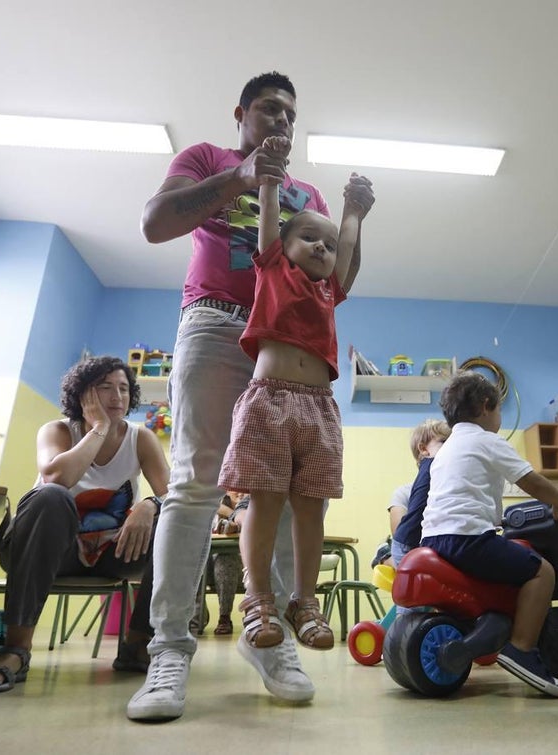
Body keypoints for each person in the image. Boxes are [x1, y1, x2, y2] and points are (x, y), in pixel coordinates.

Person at [128, 72, 374, 720]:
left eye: (292, 115)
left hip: (281, 343)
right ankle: (169, 650)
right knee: (194, 484)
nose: (282, 122)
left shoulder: (308, 193)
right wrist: (241, 178)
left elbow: (334, 271)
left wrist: (351, 215)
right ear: (242, 113)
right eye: (270, 109)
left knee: (289, 492)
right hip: (213, 321)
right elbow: (155, 223)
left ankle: (272, 635)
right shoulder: (206, 158)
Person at [218, 132, 366, 657]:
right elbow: (270, 220)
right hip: (271, 400)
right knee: (267, 502)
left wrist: (353, 211)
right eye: (309, 239)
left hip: (320, 410)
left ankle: (305, 601)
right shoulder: (274, 267)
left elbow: (345, 253)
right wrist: (271, 178)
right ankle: (258, 598)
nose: (322, 248)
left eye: (326, 245)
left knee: (311, 509)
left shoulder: (330, 290)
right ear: (285, 244)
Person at [0, 356, 170, 692]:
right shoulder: (58, 430)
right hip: (45, 548)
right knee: (51, 497)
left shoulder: (140, 438)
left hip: (109, 554)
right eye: (105, 388)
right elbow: (57, 476)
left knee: (173, 519)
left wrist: (150, 504)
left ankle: (137, 644)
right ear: (83, 396)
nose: (117, 397)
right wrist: (99, 429)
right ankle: (15, 649)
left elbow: (172, 495)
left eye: (123, 388)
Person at [420, 371, 558, 698]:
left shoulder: (446, 449)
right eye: (500, 410)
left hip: (434, 538)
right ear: (487, 406)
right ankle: (520, 648)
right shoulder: (487, 440)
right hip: (468, 537)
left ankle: (492, 629)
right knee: (542, 572)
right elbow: (530, 481)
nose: (500, 419)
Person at [390, 418, 452, 570]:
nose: (451, 447)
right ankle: (383, 554)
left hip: (416, 541)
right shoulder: (434, 464)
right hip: (407, 545)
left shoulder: (438, 468)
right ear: (424, 449)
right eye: (444, 442)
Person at [189, 492, 245, 636]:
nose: (239, 491)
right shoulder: (214, 505)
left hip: (244, 571)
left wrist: (238, 520)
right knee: (197, 555)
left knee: (225, 557)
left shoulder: (256, 507)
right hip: (209, 569)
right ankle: (196, 616)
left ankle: (224, 617)